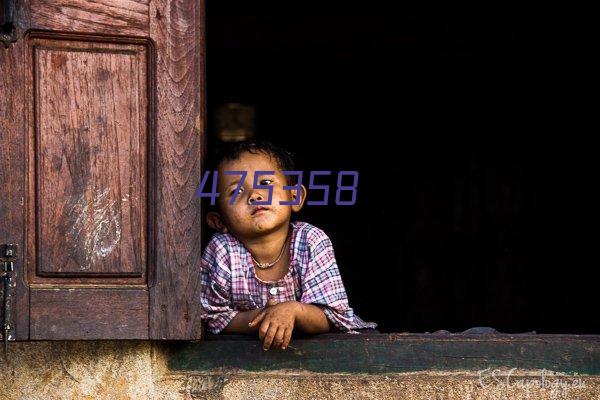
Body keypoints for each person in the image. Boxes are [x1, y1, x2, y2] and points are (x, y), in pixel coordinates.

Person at [199, 140, 377, 351]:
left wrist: (292, 311)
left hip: (326, 350)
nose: (254, 195)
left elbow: (333, 316)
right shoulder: (221, 250)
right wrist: (263, 319)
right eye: (236, 192)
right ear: (219, 221)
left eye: (265, 183)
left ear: (294, 197)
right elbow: (210, 317)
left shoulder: (310, 240)